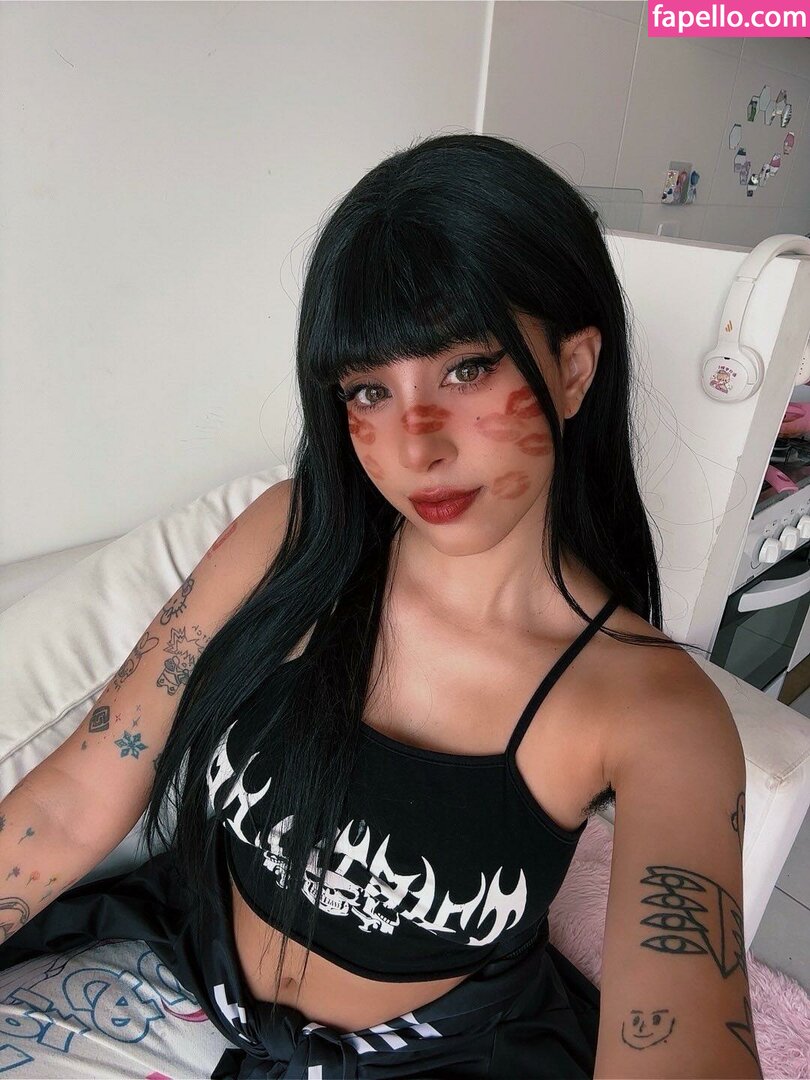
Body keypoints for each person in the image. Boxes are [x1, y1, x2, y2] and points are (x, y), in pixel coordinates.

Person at [0, 133, 754, 1079]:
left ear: (572, 369)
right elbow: (75, 800)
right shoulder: (291, 538)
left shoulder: (656, 711)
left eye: (466, 369)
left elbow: (679, 1038)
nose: (415, 447)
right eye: (369, 390)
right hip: (186, 977)